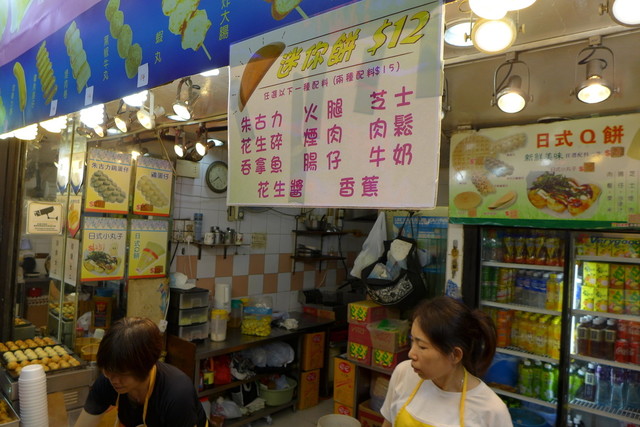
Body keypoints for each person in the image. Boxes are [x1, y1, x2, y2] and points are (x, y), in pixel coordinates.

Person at [381, 296, 512, 427]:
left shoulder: (491, 410)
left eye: (422, 346)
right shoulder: (403, 374)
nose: (411, 354)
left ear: (455, 355)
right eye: (412, 340)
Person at [74, 317, 208, 427]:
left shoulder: (177, 395)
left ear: (146, 366)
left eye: (122, 374)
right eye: (108, 370)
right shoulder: (107, 381)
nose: (114, 380)